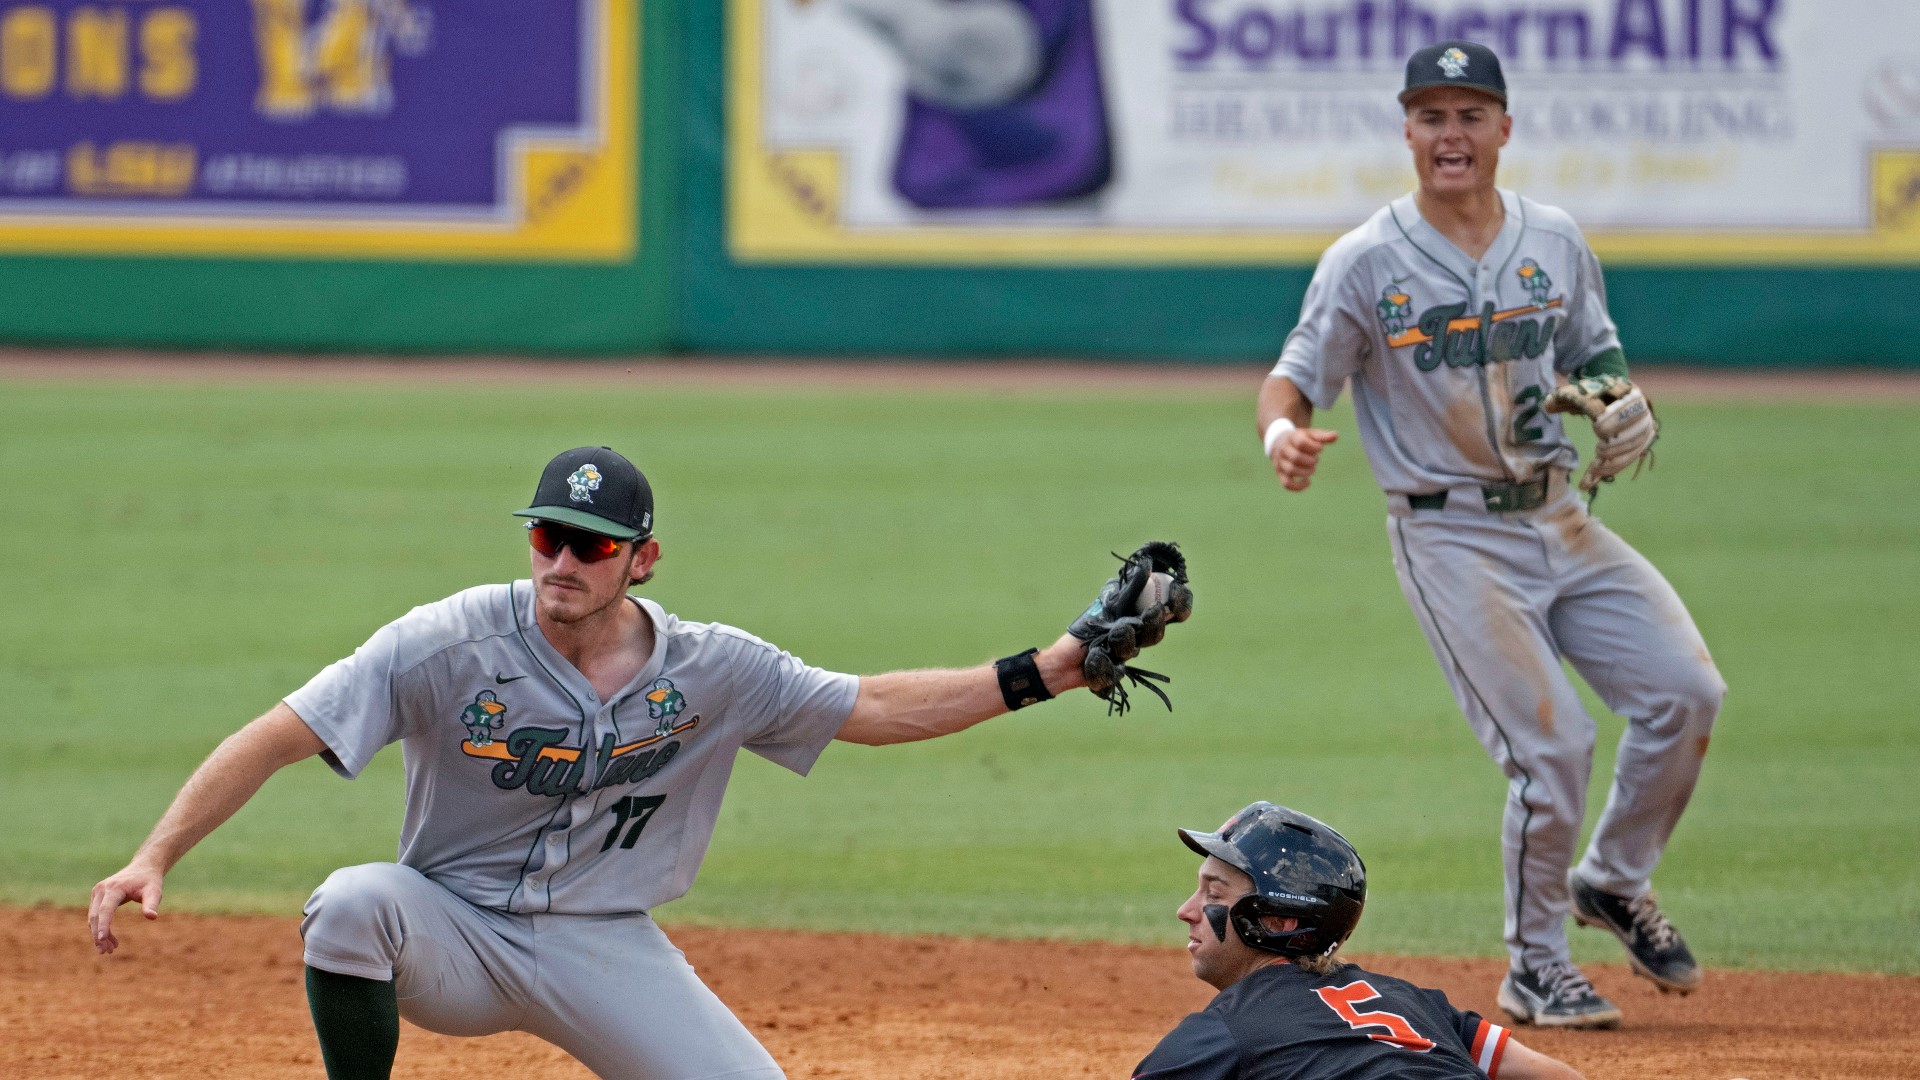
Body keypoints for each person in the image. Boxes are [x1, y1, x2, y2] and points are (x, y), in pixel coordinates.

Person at [88, 445, 1189, 1080]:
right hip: (453, 930)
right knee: (349, 905)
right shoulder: (448, 638)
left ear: (642, 559)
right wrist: (154, 853)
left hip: (604, 945)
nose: (560, 561)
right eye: (545, 538)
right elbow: (277, 733)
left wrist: (1051, 669)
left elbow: (876, 709)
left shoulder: (717, 669)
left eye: (590, 544)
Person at [1254, 41, 1726, 1028]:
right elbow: (1293, 375)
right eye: (1431, 116)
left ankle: (1613, 880)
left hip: (1563, 514)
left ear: (1505, 128)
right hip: (1452, 539)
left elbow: (1594, 351)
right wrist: (1283, 432)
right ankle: (1536, 966)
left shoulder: (1551, 238)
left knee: (1687, 693)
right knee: (1551, 751)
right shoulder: (1366, 261)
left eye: (1470, 115)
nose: (1450, 134)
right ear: (1408, 131)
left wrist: (1621, 401)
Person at [1134, 801, 1586, 1079]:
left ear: (1279, 920)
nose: (1187, 911)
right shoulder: (1414, 1002)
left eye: (1214, 893)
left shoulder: (1225, 1029)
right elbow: (1558, 1077)